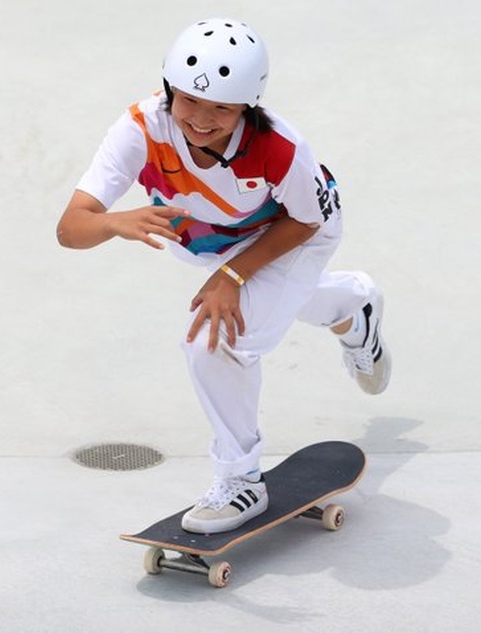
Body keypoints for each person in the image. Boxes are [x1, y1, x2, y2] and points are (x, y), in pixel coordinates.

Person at [57, 18, 391, 534]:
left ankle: (241, 481)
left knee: (216, 337)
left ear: (247, 108)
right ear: (170, 88)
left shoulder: (280, 149)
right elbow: (70, 228)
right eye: (189, 100)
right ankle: (352, 307)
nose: (202, 118)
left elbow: (306, 220)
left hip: (298, 228)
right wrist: (112, 221)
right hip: (216, 235)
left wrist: (232, 276)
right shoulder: (141, 127)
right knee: (279, 300)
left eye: (223, 108)